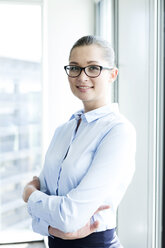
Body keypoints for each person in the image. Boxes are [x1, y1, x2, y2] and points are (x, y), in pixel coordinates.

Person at [23, 35, 136, 248]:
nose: (82, 77)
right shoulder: (62, 131)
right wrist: (50, 228)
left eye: (93, 68)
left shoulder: (118, 131)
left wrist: (29, 194)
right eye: (74, 68)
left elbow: (69, 217)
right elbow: (48, 214)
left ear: (112, 74)